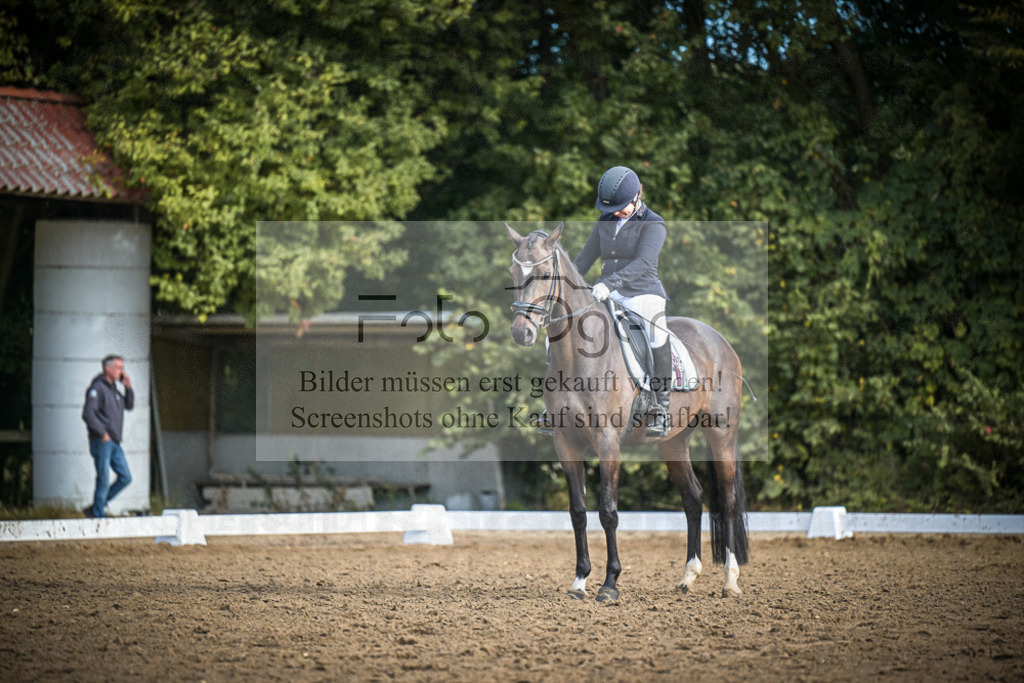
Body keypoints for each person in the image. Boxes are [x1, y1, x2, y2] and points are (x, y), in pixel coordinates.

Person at [573, 165, 673, 436]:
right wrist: (565, 286)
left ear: (636, 197)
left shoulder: (653, 223)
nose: (615, 212)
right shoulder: (604, 221)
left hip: (643, 291)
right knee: (570, 329)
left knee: (656, 333)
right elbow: (584, 259)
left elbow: (644, 262)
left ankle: (660, 408)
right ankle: (561, 401)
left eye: (620, 207)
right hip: (607, 292)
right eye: (611, 208)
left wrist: (608, 284)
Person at [81, 355, 134, 518]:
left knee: (125, 477)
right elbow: (88, 414)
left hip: (115, 442)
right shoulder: (97, 388)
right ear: (107, 368)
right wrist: (102, 433)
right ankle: (98, 515)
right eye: (118, 368)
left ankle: (97, 506)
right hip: (102, 441)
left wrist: (128, 388)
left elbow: (129, 405)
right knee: (103, 478)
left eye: (122, 368)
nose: (122, 371)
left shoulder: (114, 390)